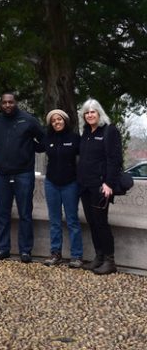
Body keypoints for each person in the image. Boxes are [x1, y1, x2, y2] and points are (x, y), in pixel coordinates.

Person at [0, 92, 44, 263]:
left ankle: (25, 251)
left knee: (25, 213)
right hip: (2, 175)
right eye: (4, 102)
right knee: (2, 213)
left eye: (10, 102)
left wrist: (28, 148)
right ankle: (2, 248)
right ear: (1, 104)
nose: (7, 105)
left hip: (24, 174)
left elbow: (44, 140)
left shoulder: (28, 120)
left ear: (16, 103)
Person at [77, 99, 122, 275]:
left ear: (99, 113)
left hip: (101, 186)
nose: (89, 115)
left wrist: (109, 183)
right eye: (86, 112)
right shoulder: (86, 133)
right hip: (85, 186)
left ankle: (110, 261)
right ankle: (99, 257)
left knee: (101, 223)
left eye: (92, 111)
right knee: (93, 223)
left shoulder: (109, 131)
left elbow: (115, 159)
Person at [37, 109, 83, 268]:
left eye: (59, 119)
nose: (57, 122)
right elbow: (34, 146)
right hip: (51, 183)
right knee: (54, 221)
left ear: (65, 120)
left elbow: (87, 155)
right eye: (54, 121)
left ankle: (76, 255)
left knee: (72, 220)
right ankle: (55, 253)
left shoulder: (75, 138)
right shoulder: (48, 138)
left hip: (70, 183)